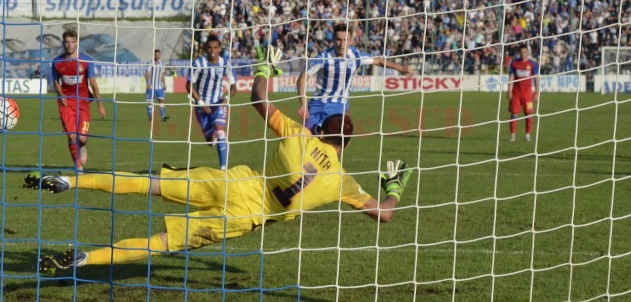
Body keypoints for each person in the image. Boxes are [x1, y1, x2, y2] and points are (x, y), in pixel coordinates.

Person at [23, 45, 413, 274]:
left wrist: (265, 66)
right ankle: (87, 258)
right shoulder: (343, 180)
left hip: (234, 181)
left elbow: (259, 99)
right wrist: (393, 188)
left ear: (321, 128)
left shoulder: (300, 133)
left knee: (149, 183)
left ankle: (70, 180)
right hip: (244, 218)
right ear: (346, 143)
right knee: (160, 243)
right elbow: (384, 213)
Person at [297, 23, 414, 134]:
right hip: (317, 105)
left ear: (351, 41)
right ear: (333, 40)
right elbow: (302, 78)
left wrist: (401, 68)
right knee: (308, 141)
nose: (342, 44)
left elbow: (378, 61)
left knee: (332, 141)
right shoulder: (323, 58)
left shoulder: (356, 56)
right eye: (338, 40)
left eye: (345, 40)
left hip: (338, 106)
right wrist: (303, 104)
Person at [52, 29, 106, 170]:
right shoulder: (57, 62)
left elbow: (93, 83)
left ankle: (81, 147)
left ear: (77, 43)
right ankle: (78, 168)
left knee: (81, 138)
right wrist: (60, 94)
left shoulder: (86, 60)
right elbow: (56, 81)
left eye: (72, 42)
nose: (69, 45)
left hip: (83, 102)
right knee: (71, 137)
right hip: (66, 103)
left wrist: (100, 105)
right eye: (67, 42)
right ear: (63, 43)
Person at [186, 35, 237, 170]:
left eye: (215, 47)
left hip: (218, 103)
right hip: (201, 106)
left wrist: (227, 98)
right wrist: (201, 103)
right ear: (205, 49)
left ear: (219, 49)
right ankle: (218, 141)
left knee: (220, 132)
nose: (212, 50)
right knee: (210, 141)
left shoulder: (226, 63)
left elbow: (233, 86)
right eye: (209, 48)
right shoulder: (198, 63)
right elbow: (189, 86)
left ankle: (223, 169)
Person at [508, 45, 540, 142]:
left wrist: (536, 92)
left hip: (528, 95)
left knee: (529, 114)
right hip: (516, 94)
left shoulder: (533, 64)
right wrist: (509, 91)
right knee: (514, 114)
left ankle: (527, 135)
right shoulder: (514, 63)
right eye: (521, 52)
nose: (523, 54)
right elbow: (511, 77)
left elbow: (536, 79)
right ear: (519, 53)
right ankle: (513, 135)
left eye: (525, 52)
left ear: (528, 53)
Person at [145, 49, 169, 122]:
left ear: (160, 55)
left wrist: (164, 84)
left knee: (161, 101)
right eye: (156, 54)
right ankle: (150, 117)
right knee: (150, 103)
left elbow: (162, 75)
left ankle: (163, 116)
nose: (157, 56)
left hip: (159, 87)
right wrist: (147, 84)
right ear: (154, 55)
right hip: (151, 87)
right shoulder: (151, 63)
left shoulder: (163, 64)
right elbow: (147, 74)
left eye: (158, 54)